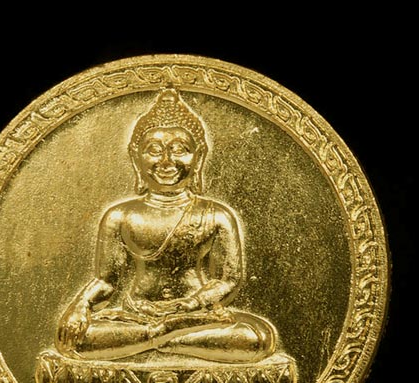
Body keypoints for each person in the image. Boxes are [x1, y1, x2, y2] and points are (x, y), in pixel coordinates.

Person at [56, 88, 278, 364]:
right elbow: (106, 280)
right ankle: (165, 337)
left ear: (199, 157)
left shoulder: (216, 215)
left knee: (257, 338)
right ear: (135, 156)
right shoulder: (121, 215)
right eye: (154, 150)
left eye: (180, 150)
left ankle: (156, 338)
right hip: (136, 315)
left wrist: (192, 304)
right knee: (74, 338)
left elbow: (228, 280)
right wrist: (80, 305)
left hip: (196, 316)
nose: (166, 162)